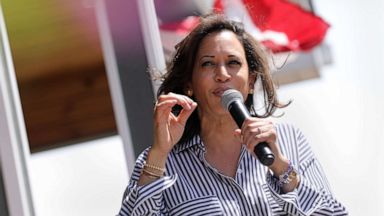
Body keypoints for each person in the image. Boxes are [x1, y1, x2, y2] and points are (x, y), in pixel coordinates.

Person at [117, 13, 348, 216]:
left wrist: (281, 168)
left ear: (251, 82)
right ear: (189, 84)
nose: (222, 74)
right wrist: (159, 154)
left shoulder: (290, 141)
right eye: (208, 64)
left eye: (233, 62)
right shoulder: (159, 161)